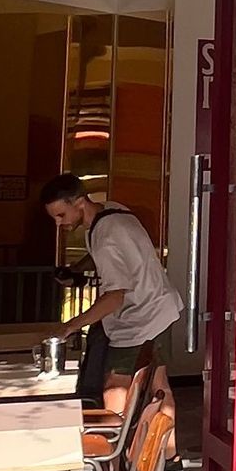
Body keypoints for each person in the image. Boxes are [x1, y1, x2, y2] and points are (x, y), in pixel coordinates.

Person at [38, 172, 184, 406]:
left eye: (61, 215)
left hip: (141, 316)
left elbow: (114, 297)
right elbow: (111, 254)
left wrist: (69, 327)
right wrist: (77, 269)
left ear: (79, 202)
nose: (58, 223)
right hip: (162, 306)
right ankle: (165, 442)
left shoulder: (105, 236)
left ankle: (111, 439)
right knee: (158, 386)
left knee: (115, 386)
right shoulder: (110, 211)